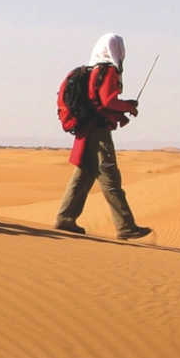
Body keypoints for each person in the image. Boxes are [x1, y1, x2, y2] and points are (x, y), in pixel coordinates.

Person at [54, 32, 152, 240]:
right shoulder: (107, 70)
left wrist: (121, 111)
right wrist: (126, 106)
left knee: (84, 175)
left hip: (89, 128)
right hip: (97, 131)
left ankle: (66, 217)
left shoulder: (94, 70)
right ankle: (125, 226)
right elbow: (107, 101)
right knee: (110, 179)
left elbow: (98, 102)